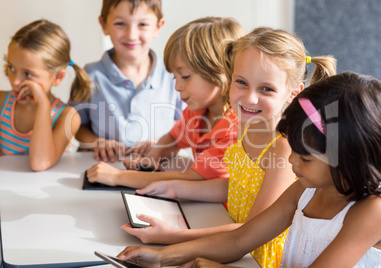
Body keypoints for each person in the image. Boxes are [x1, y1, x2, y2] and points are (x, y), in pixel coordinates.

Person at [116, 72, 381, 268]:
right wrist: (163, 257)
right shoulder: (305, 188)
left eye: (305, 159)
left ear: (349, 159)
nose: (292, 163)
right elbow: (240, 239)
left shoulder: (372, 212)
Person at [118, 27, 337, 268]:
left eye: (266, 89)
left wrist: (173, 236)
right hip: (233, 245)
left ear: (293, 93)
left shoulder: (283, 147)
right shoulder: (245, 124)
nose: (249, 98)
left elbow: (250, 231)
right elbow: (238, 186)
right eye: (241, 82)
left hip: (258, 258)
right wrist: (174, 188)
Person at [85, 17, 245, 188]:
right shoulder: (197, 112)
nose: (177, 86)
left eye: (185, 77)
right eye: (174, 78)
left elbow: (195, 177)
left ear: (220, 71)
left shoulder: (235, 127)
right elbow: (173, 139)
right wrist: (152, 158)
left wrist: (119, 177)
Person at [70, 0, 185, 163]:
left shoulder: (172, 75)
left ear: (158, 26)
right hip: (102, 166)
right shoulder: (89, 75)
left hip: (156, 169)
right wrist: (97, 142)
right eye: (120, 23)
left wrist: (163, 144)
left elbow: (189, 125)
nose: (131, 35)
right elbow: (76, 126)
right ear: (103, 25)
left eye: (143, 24)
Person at [0, 19, 91, 171]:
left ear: (58, 78)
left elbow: (40, 163)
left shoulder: (68, 117)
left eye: (28, 74)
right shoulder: (2, 103)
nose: (15, 81)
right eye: (12, 67)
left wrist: (43, 104)